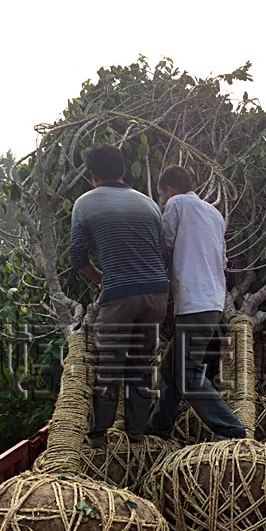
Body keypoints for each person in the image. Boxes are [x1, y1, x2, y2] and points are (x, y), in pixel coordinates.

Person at [69, 144, 170, 446]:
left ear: (92, 175)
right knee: (141, 365)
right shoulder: (149, 204)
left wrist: (102, 278)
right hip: (156, 294)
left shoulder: (85, 204)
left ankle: (98, 435)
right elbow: (163, 251)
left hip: (119, 294)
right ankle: (136, 433)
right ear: (124, 170)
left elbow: (77, 257)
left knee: (110, 366)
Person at [144, 165, 246, 440]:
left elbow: (163, 245)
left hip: (194, 301)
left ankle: (230, 429)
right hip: (212, 300)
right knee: (171, 367)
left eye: (162, 195)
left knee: (186, 371)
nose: (163, 201)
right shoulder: (213, 213)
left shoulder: (177, 203)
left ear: (169, 189)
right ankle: (159, 427)